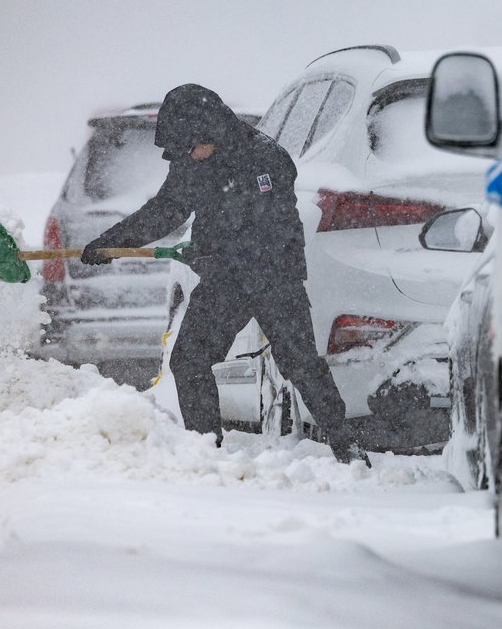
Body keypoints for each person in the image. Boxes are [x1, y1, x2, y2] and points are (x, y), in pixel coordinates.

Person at [81, 83, 366, 463]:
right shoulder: (192, 164)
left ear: (210, 130)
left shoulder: (267, 161)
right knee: (189, 360)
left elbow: (271, 229)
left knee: (299, 363)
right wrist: (110, 242)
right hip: (226, 281)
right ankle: (205, 452)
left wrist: (215, 256)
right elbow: (166, 209)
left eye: (190, 146)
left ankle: (347, 445)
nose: (187, 157)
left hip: (273, 277)